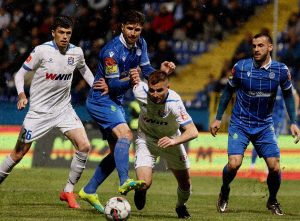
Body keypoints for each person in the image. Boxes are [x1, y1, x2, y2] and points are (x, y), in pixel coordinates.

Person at [0, 16, 107, 209]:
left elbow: (85, 71)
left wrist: (96, 87)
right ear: (53, 33)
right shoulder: (42, 51)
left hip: (64, 109)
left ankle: (68, 191)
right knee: (18, 154)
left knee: (84, 146)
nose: (65, 37)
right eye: (61, 32)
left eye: (68, 33)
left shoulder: (77, 52)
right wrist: (22, 95)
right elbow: (20, 74)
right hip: (39, 112)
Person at [78, 10, 176, 213]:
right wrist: (131, 80)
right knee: (126, 134)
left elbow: (147, 71)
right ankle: (125, 181)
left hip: (116, 101)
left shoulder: (142, 44)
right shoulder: (111, 52)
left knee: (116, 154)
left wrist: (162, 72)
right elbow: (112, 85)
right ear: (122, 27)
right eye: (130, 28)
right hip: (101, 100)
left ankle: (89, 190)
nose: (133, 33)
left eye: (137, 29)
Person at [209, 32, 300, 216]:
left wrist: (293, 122)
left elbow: (289, 95)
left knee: (274, 166)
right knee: (234, 164)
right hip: (240, 123)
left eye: (260, 45)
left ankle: (272, 199)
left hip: (264, 125)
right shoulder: (241, 67)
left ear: (270, 47)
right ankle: (225, 189)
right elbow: (227, 92)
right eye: (254, 46)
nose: (256, 49)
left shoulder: (281, 70)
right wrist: (218, 117)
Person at [132, 70, 198, 219]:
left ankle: (180, 206)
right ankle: (141, 190)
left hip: (170, 141)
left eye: (160, 90)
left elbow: (193, 131)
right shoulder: (140, 91)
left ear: (168, 87)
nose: (155, 94)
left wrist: (173, 141)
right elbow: (132, 70)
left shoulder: (174, 103)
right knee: (144, 183)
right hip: (146, 139)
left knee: (185, 184)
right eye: (152, 90)